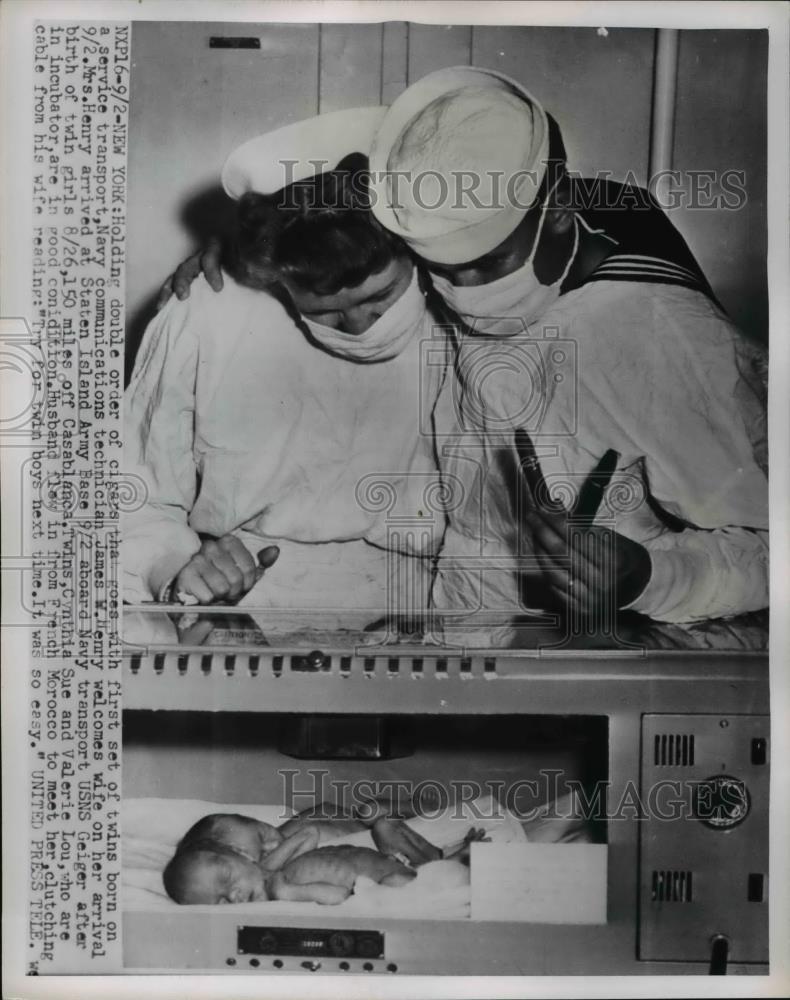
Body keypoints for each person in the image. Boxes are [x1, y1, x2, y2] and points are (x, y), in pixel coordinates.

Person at [362, 66, 768, 645]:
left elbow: (772, 549)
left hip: (619, 661)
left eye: (488, 264)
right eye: (444, 271)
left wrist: (647, 574)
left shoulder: (657, 333)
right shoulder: (483, 277)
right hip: (478, 648)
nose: (466, 293)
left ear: (556, 207)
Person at [123, 108, 455, 630]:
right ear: (274, 276)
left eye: (380, 299)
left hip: (434, 601)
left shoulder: (470, 312)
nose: (358, 327)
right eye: (323, 311)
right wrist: (175, 566)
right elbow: (133, 492)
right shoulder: (208, 310)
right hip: (245, 602)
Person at [162, 808, 480, 905]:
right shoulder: (271, 880)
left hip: (375, 840)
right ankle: (445, 863)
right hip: (376, 863)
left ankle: (442, 858)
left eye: (262, 833)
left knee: (384, 823)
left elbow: (316, 822)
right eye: (219, 902)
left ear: (240, 853)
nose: (232, 897)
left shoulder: (278, 849)